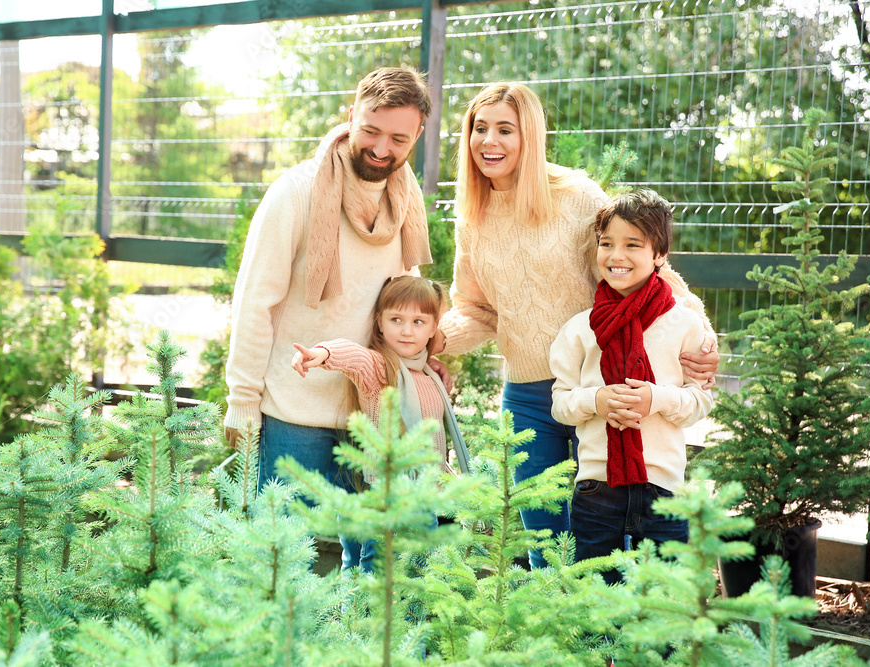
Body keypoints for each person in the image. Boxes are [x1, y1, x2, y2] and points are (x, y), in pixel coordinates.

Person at [429, 82, 719, 569]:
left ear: (531, 136)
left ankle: (617, 640)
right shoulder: (473, 217)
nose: (489, 141)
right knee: (546, 541)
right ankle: (561, 643)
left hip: (600, 387)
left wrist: (703, 338)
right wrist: (434, 341)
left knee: (603, 543)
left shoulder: (576, 195)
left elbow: (646, 263)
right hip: (527, 396)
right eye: (479, 129)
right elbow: (477, 310)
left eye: (505, 129)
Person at [222, 68, 434, 565]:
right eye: (371, 131)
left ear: (417, 136)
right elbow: (256, 302)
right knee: (282, 562)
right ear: (351, 115)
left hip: (372, 411)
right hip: (294, 412)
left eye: (398, 138)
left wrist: (422, 360)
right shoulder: (294, 193)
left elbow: (406, 296)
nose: (382, 148)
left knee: (373, 567)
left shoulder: (407, 199)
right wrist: (242, 400)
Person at [549, 189, 714, 583]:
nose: (615, 256)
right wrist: (597, 400)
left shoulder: (684, 324)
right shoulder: (580, 328)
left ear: (659, 255)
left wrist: (656, 399)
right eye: (607, 244)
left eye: (632, 245)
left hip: (662, 486)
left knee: (664, 600)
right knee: (592, 597)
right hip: (596, 486)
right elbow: (560, 403)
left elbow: (700, 400)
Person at [291, 275, 472, 571]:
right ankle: (363, 617)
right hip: (383, 493)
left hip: (424, 490)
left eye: (418, 322)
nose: (406, 330)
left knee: (403, 570)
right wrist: (323, 354)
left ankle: (382, 616)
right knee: (375, 568)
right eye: (396, 319)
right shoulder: (379, 367)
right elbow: (354, 356)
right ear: (379, 322)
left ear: (433, 329)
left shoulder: (428, 374)